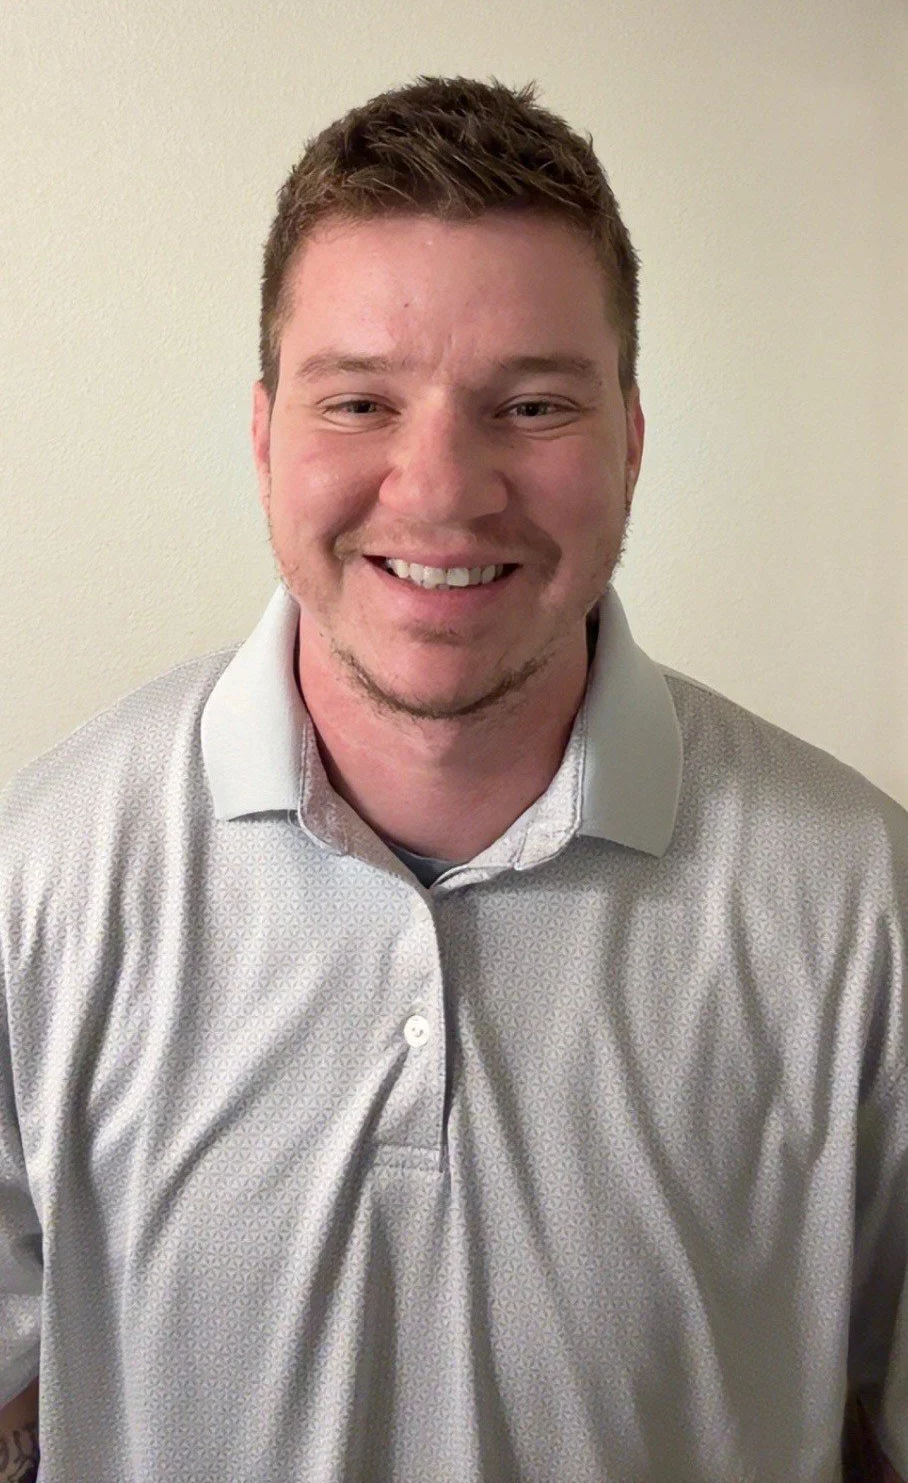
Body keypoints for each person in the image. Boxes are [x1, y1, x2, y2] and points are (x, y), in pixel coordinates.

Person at [0, 74, 905, 1483]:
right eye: (359, 400)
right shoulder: (37, 882)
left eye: (531, 404)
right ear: (262, 437)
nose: (438, 489)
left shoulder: (864, 905)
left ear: (633, 439)